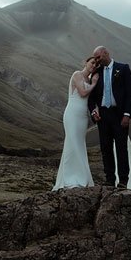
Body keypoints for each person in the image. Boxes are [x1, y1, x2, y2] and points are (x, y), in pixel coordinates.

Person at [88, 45, 131, 190]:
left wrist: (127, 114)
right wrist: (93, 111)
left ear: (106, 53)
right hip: (103, 116)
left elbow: (130, 92)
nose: (97, 60)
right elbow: (91, 96)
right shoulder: (96, 73)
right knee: (105, 148)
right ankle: (110, 179)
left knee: (121, 147)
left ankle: (123, 180)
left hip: (119, 115)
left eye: (98, 57)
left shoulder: (123, 68)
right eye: (95, 58)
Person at [52, 56, 100, 189]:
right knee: (71, 143)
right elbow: (83, 93)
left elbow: (91, 99)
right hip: (72, 114)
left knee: (79, 144)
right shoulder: (77, 74)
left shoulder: (89, 79)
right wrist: (94, 84)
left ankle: (81, 175)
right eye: (92, 62)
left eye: (96, 65)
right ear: (86, 62)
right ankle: (70, 178)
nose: (93, 66)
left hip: (83, 116)